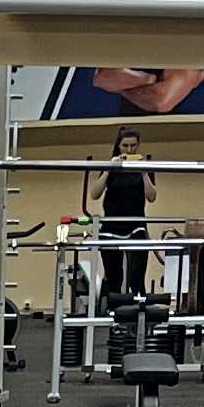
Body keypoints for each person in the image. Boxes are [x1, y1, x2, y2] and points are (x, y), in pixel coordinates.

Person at [81, 126, 158, 309]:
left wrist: (144, 173)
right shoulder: (110, 166)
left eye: (133, 146)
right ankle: (112, 315)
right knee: (114, 277)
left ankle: (139, 313)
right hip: (111, 226)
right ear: (118, 145)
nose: (129, 150)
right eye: (125, 146)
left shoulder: (145, 167)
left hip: (136, 226)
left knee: (137, 276)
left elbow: (151, 197)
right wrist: (109, 169)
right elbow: (94, 194)